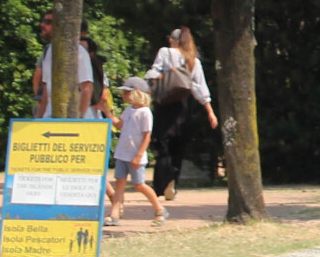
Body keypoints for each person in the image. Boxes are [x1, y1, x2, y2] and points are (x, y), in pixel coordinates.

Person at [147, 27, 217, 199]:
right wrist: (210, 112)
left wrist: (147, 89)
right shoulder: (193, 60)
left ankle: (160, 185)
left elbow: (154, 73)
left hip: (164, 105)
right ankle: (173, 183)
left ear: (171, 40)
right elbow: (200, 88)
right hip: (183, 107)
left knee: (162, 145)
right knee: (178, 147)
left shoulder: (165, 52)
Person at [105, 78, 165, 224]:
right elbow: (119, 125)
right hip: (122, 154)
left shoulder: (145, 112)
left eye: (127, 92)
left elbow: (147, 136)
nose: (123, 95)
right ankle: (114, 215)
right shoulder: (128, 110)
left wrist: (139, 155)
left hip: (135, 156)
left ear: (137, 93)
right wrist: (106, 111)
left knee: (139, 185)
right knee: (119, 184)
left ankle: (159, 209)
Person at [32, 12, 94, 119]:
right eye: (43, 21)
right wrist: (38, 119)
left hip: (74, 122)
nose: (42, 25)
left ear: (59, 25)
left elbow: (87, 88)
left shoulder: (77, 51)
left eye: (48, 22)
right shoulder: (49, 50)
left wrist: (79, 119)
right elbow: (47, 89)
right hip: (51, 119)